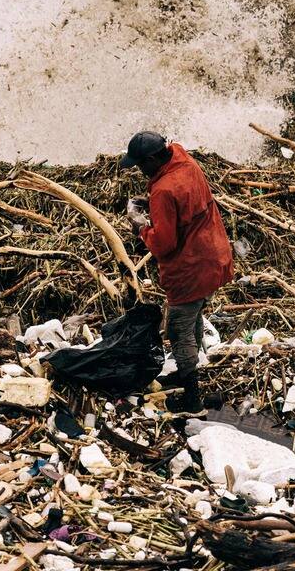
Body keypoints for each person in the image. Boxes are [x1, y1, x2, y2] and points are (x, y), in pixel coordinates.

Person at [121, 131, 233, 416]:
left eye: (140, 165)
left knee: (179, 329)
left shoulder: (163, 191)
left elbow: (164, 243)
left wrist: (140, 225)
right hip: (214, 256)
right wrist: (157, 210)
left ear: (151, 160)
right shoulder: (184, 160)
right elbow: (185, 202)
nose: (139, 170)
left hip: (190, 268)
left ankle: (193, 399)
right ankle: (193, 374)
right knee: (194, 318)